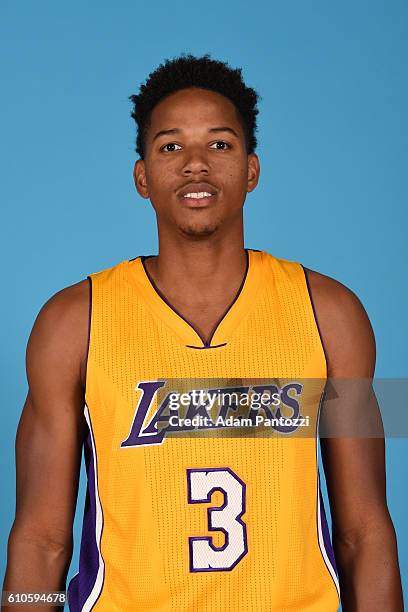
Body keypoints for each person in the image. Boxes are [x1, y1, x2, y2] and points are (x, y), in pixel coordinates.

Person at [3, 53, 403, 611]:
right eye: (171, 146)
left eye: (220, 144)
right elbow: (40, 542)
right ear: (142, 177)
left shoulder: (335, 314)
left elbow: (367, 532)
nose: (196, 165)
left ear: (251, 170)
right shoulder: (72, 321)